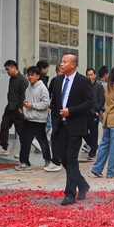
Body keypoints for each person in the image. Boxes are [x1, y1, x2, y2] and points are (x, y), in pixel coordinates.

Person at [49, 52, 95, 204]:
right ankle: (82, 184)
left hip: (75, 126)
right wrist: (55, 120)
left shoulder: (83, 81)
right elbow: (54, 103)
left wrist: (71, 111)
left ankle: (70, 194)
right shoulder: (57, 81)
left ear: (73, 65)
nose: (61, 64)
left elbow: (89, 102)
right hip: (60, 127)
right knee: (62, 158)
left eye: (65, 62)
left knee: (71, 159)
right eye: (61, 62)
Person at [17, 63, 53, 170]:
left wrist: (32, 105)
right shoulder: (28, 88)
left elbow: (46, 104)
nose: (30, 77)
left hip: (39, 120)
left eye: (32, 75)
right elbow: (28, 101)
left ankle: (47, 160)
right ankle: (24, 161)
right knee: (25, 141)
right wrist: (25, 107)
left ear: (38, 76)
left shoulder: (42, 88)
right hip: (28, 119)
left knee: (42, 140)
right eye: (28, 75)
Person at [0, 59, 25, 158]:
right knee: (4, 126)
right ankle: (4, 148)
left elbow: (24, 95)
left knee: (21, 131)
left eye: (8, 69)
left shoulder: (22, 80)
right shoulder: (11, 79)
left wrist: (21, 108)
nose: (7, 72)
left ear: (14, 67)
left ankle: (23, 151)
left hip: (17, 109)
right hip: (9, 107)